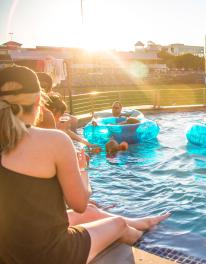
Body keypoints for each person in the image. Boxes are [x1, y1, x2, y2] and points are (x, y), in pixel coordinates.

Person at [0, 66, 170, 264]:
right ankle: (149, 247)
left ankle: (143, 222)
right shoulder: (54, 141)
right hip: (49, 256)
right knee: (119, 223)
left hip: (8, 249)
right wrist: (83, 170)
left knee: (92, 212)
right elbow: (79, 204)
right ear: (39, 101)